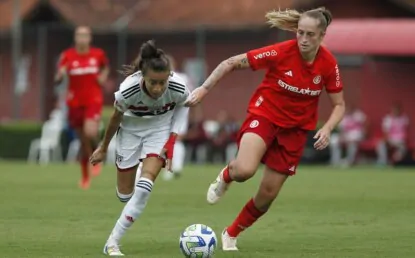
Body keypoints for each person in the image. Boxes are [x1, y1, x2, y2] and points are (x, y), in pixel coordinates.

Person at [186, 7, 345, 251]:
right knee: (245, 170)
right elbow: (230, 62)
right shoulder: (280, 52)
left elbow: (339, 105)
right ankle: (228, 174)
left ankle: (231, 233)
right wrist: (203, 89)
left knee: (268, 194)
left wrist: (328, 128)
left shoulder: (328, 64)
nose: (303, 39)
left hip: (295, 131)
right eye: (300, 33)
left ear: (322, 35)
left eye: (310, 35)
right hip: (265, 116)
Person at [89, 40, 190, 256]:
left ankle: (112, 242)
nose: (158, 88)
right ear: (143, 76)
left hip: (159, 130)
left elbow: (183, 106)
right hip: (130, 132)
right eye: (153, 82)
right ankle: (137, 179)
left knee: (144, 189)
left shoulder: (178, 86)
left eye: (162, 82)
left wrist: (172, 139)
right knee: (125, 196)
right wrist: (104, 147)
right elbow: (115, 118)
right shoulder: (128, 89)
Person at [54, 26, 110, 189]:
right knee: (83, 140)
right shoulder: (68, 56)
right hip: (74, 102)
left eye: (85, 35)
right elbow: (60, 74)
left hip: (93, 100)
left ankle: (98, 153)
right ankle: (85, 175)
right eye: (80, 35)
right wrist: (59, 76)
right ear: (75, 38)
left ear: (90, 38)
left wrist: (103, 77)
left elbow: (105, 67)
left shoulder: (97, 55)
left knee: (91, 132)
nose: (82, 38)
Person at [135, 54, 194, 181]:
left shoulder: (180, 78)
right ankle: (175, 168)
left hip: (176, 111)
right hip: (171, 111)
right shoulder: (171, 77)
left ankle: (171, 168)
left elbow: (191, 96)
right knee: (172, 140)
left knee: (173, 140)